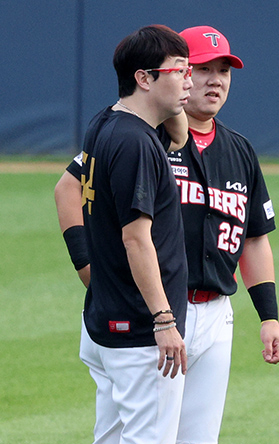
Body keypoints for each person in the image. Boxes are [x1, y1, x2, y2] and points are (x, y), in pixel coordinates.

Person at [55, 25, 279, 444]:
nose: (214, 80)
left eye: (225, 71)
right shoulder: (141, 132)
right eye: (198, 69)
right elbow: (69, 188)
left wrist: (268, 315)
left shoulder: (239, 150)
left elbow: (253, 236)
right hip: (153, 309)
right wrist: (88, 265)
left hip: (214, 312)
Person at [60, 24, 192, 444]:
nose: (189, 79)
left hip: (104, 320)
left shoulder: (106, 122)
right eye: (179, 70)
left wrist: (175, 98)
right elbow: (137, 238)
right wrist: (164, 320)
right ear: (144, 77)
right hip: (139, 329)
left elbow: (180, 134)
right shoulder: (135, 143)